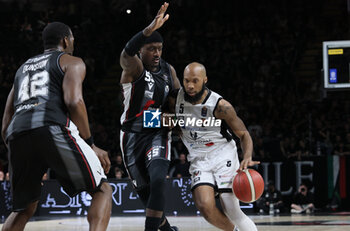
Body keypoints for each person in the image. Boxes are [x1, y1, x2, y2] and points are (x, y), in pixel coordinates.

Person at [1, 22, 112, 231]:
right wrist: (91, 144)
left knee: (22, 209)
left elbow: (6, 119)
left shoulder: (22, 69)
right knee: (102, 190)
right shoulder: (71, 61)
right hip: (51, 127)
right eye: (72, 41)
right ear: (65, 41)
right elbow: (74, 101)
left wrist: (20, 151)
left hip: (17, 134)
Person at [169, 62, 259, 231]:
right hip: (198, 158)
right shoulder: (175, 99)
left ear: (205, 80)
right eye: (186, 80)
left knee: (231, 209)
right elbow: (161, 119)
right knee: (205, 207)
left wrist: (247, 157)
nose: (190, 85)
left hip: (222, 155)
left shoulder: (221, 106)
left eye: (195, 81)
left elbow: (244, 135)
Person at [119, 2, 180, 231]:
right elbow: (125, 52)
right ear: (141, 50)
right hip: (132, 135)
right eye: (151, 48)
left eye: (159, 48)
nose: (156, 53)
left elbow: (175, 102)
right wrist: (147, 29)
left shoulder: (168, 70)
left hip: (157, 134)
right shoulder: (133, 67)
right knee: (146, 196)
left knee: (157, 181)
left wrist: (173, 118)